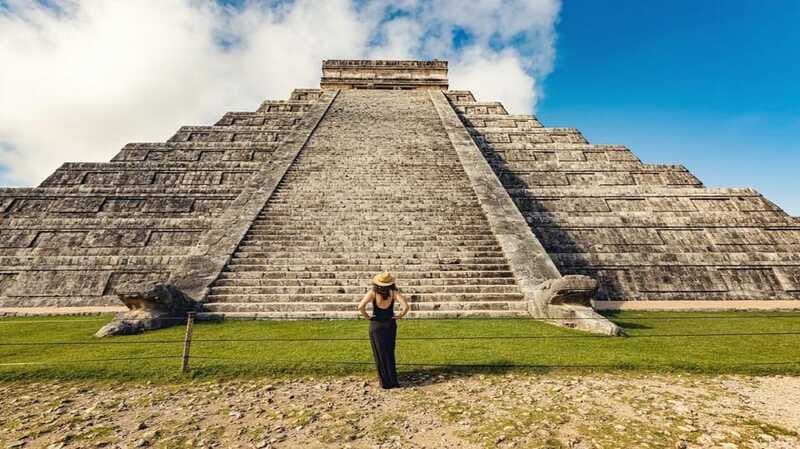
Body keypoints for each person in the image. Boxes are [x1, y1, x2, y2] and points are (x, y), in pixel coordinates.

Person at [357, 272, 410, 389]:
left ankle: (384, 382)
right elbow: (406, 307)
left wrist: (368, 317)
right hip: (390, 324)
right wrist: (399, 316)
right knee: (389, 351)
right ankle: (392, 379)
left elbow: (360, 306)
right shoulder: (394, 293)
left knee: (379, 353)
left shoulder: (373, 293)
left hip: (376, 324)